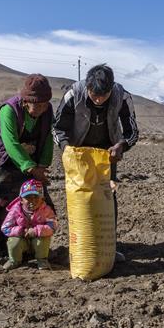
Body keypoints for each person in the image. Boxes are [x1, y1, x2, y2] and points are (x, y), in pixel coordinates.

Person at [53, 64, 139, 260]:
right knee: (81, 198)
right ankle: (81, 245)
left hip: (107, 155)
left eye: (104, 95)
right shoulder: (74, 94)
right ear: (88, 88)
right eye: (94, 95)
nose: (99, 99)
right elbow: (58, 128)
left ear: (111, 88)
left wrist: (122, 146)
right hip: (78, 154)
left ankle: (108, 246)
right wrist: (67, 149)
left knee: (107, 196)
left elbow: (132, 131)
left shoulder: (122, 96)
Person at [0, 74, 55, 261]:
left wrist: (42, 165)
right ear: (25, 101)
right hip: (5, 160)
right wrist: (31, 168)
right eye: (36, 105)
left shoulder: (47, 111)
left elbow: (48, 138)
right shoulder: (9, 110)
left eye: (44, 105)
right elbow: (11, 143)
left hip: (33, 162)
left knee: (38, 202)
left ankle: (32, 247)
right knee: (2, 202)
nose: (40, 109)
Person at [1, 179, 58, 270]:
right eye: (28, 197)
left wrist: (36, 231)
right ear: (21, 200)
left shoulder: (46, 210)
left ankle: (42, 260)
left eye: (36, 197)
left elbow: (53, 226)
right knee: (14, 241)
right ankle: (14, 260)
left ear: (42, 198)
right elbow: (5, 228)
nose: (32, 200)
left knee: (43, 238)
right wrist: (21, 231)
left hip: (37, 240)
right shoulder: (15, 211)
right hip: (22, 240)